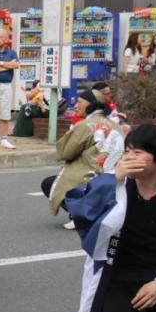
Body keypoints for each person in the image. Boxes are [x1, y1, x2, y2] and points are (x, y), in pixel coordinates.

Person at [66, 124, 156, 312]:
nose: (128, 158)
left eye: (137, 153)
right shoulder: (115, 187)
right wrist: (113, 179)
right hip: (121, 279)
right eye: (127, 151)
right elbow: (82, 212)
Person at [42, 90, 125, 229]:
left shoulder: (85, 125)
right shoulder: (115, 125)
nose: (76, 105)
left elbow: (65, 152)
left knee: (49, 183)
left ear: (91, 104)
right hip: (114, 178)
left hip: (89, 178)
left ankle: (81, 215)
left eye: (80, 102)